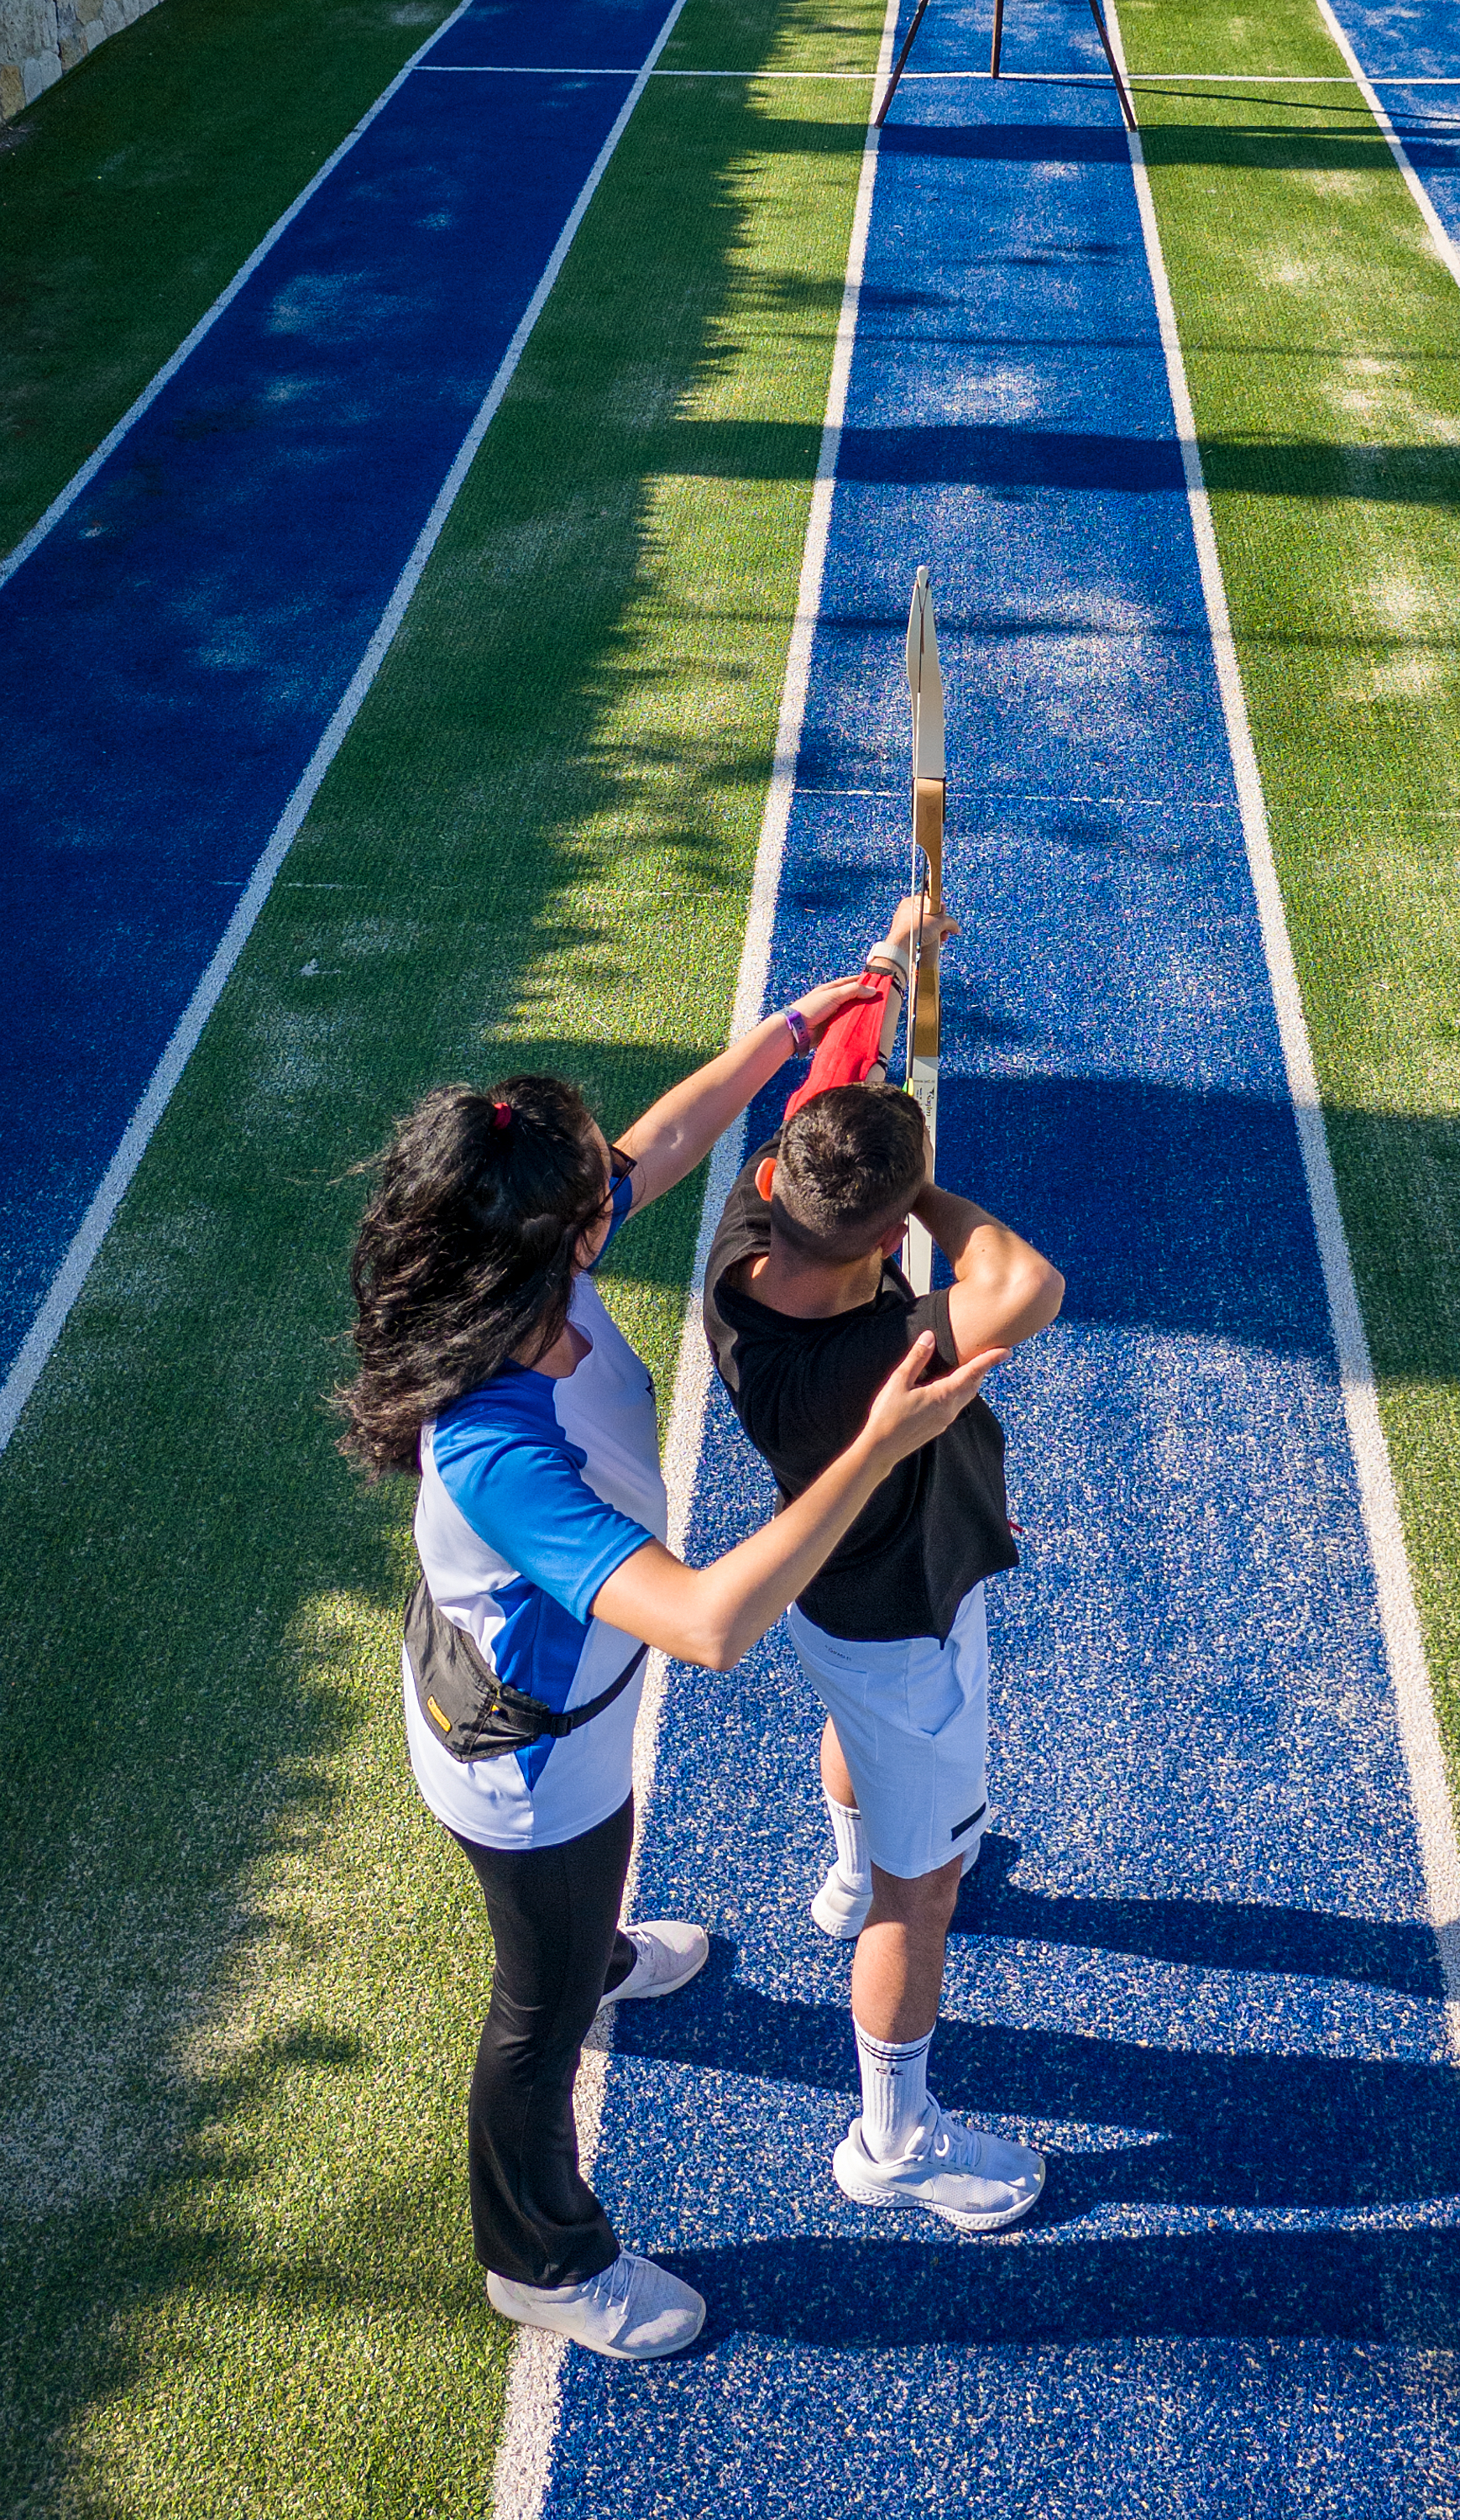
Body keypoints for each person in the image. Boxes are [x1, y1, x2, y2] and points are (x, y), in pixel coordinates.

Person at [338, 973, 1005, 2368]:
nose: (617, 1192)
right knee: (534, 2013)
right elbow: (703, 1622)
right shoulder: (496, 1447)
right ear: (543, 1242)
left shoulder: (527, 1269)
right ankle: (540, 2259)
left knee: (582, 1933)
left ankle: (606, 1957)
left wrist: (790, 1034)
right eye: (594, 1193)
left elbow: (675, 1134)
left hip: (554, 1712)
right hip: (529, 1760)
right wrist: (876, 1445)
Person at [704, 907, 1065, 2234]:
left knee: (849, 1735)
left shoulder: (748, 1243)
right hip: (909, 1613)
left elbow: (832, 1090)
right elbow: (1026, 1283)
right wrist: (923, 1192)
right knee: (930, 1891)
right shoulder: (879, 1360)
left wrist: (892, 956)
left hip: (836, 1608)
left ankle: (850, 1866)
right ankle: (894, 2137)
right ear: (881, 1238)